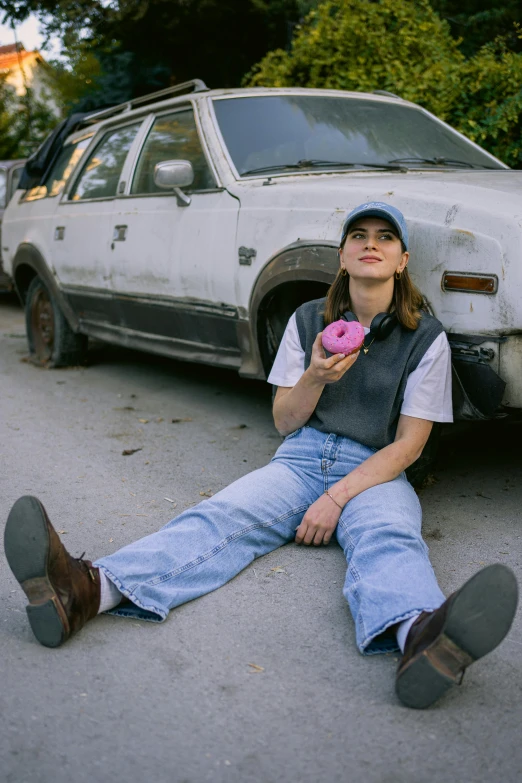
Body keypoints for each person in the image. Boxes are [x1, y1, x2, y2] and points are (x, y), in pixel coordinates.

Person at [4, 202, 518, 710]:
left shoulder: (424, 339)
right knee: (221, 516)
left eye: (385, 237)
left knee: (389, 537)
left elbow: (410, 444)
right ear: (342, 255)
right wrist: (316, 375)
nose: (370, 244)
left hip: (374, 472)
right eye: (358, 235)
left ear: (402, 260)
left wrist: (337, 498)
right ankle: (88, 591)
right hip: (301, 457)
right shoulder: (304, 323)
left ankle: (419, 638)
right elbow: (284, 421)